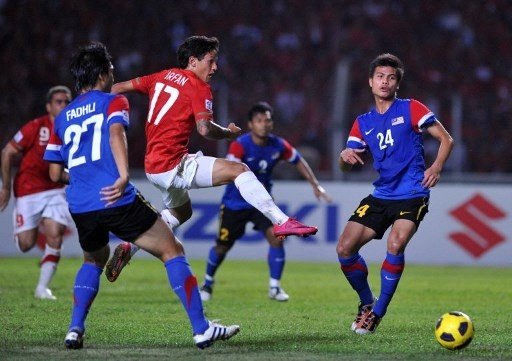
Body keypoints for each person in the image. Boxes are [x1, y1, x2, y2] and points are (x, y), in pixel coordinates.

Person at [43, 42, 239, 350]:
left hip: (80, 203)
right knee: (172, 250)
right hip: (116, 197)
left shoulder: (62, 117)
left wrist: (83, 181)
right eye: (110, 70)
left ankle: (74, 328)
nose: (113, 74)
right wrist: (122, 175)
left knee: (93, 259)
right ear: (103, 73)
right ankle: (202, 329)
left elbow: (55, 173)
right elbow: (116, 134)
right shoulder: (114, 102)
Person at [105, 35, 317, 282]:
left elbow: (116, 88)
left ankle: (131, 247)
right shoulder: (198, 87)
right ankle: (281, 221)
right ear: (193, 61)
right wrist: (226, 132)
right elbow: (204, 129)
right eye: (211, 61)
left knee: (181, 213)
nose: (215, 67)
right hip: (173, 165)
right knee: (239, 170)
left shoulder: (161, 76)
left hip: (152, 167)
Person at [336, 53, 454, 335]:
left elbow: (446, 138)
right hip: (381, 194)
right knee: (344, 249)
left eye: (390, 77)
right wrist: (344, 156)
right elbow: (346, 166)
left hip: (413, 192)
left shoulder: (411, 108)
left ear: (397, 83)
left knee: (395, 243)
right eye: (380, 76)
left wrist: (436, 167)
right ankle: (367, 303)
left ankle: (377, 313)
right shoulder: (362, 122)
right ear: (370, 82)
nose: (384, 82)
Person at [199, 101, 331, 302]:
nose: (264, 124)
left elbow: (298, 160)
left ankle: (275, 287)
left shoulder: (278, 145)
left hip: (262, 206)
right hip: (235, 204)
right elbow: (229, 169)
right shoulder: (240, 145)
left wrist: (315, 185)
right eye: (259, 121)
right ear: (251, 124)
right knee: (222, 246)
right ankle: (207, 283)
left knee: (276, 238)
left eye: (267, 120)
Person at [0, 85, 72, 300]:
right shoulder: (36, 126)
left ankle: (42, 288)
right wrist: (5, 186)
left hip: (55, 190)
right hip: (29, 190)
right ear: (48, 106)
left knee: (55, 234)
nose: (64, 105)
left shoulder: (72, 127)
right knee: (25, 244)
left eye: (67, 101)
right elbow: (7, 152)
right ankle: (23, 229)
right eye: (59, 101)